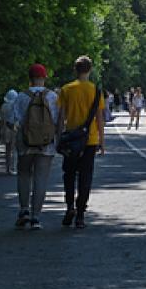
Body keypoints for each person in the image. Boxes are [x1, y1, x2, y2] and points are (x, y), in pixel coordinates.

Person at [57, 55, 105, 229]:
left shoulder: (66, 89)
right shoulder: (95, 91)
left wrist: (58, 138)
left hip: (70, 140)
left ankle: (69, 206)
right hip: (89, 140)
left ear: (75, 70)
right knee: (85, 177)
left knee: (68, 175)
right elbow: (99, 118)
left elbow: (61, 116)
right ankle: (81, 214)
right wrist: (102, 142)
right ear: (90, 70)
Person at [12, 64, 59, 230]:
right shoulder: (52, 96)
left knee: (24, 174)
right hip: (46, 145)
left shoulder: (21, 96)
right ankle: (36, 217)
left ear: (30, 79)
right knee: (41, 178)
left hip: (25, 143)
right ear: (44, 78)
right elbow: (57, 121)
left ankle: (24, 210)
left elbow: (13, 121)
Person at [0, 89, 19, 175]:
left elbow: (0, 121)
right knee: (15, 150)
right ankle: (13, 168)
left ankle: (7, 168)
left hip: (6, 129)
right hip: (15, 129)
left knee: (7, 150)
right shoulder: (16, 106)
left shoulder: (3, 106)